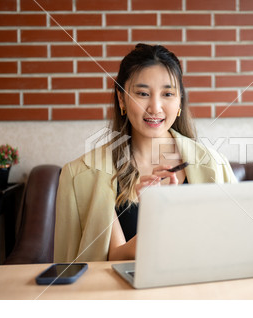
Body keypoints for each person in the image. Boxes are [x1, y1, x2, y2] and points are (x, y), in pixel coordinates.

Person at [54, 43, 237, 263]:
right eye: (142, 93)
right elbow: (107, 259)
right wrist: (156, 219)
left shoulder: (216, 166)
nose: (155, 107)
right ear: (121, 99)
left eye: (168, 93)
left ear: (179, 101)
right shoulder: (79, 176)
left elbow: (233, 249)